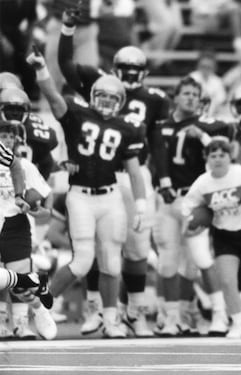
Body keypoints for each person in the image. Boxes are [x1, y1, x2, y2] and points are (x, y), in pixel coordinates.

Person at [58, 8, 171, 337]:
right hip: (102, 176)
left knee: (136, 249)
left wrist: (161, 180)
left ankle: (134, 311)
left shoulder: (154, 99)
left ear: (145, 72)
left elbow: (158, 143)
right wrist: (67, 30)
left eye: (135, 69)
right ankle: (97, 309)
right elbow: (65, 66)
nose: (129, 73)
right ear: (114, 68)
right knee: (96, 245)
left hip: (135, 175)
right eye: (123, 68)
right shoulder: (100, 85)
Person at [27, 50, 148, 338]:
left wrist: (141, 206)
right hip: (80, 195)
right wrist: (43, 69)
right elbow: (54, 97)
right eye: (102, 96)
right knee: (82, 261)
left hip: (111, 197)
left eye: (111, 98)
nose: (106, 101)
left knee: (112, 260)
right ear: (94, 96)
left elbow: (133, 171)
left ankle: (110, 320)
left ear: (119, 102)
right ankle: (42, 307)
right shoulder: (77, 114)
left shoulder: (127, 128)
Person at [152, 77, 231, 337]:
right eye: (185, 93)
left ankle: (220, 315)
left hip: (193, 200)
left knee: (201, 258)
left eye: (195, 95)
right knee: (169, 262)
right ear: (176, 97)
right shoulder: (160, 125)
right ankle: (174, 317)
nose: (190, 99)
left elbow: (224, 152)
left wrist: (206, 139)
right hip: (165, 200)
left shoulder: (206, 125)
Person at [181, 138, 241, 338]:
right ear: (206, 158)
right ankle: (238, 323)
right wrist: (190, 226)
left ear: (230, 156)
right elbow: (189, 207)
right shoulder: (203, 182)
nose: (217, 159)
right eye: (213, 155)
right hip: (223, 234)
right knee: (226, 281)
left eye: (222, 155)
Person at [0, 119, 57, 340]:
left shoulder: (23, 164)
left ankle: (32, 314)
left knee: (11, 276)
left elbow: (15, 165)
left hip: (13, 221)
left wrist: (20, 197)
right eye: (3, 135)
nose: (7, 140)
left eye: (10, 136)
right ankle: (35, 283)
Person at [0, 86, 59, 180]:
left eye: (19, 110)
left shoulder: (33, 133)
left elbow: (47, 162)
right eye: (10, 109)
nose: (14, 114)